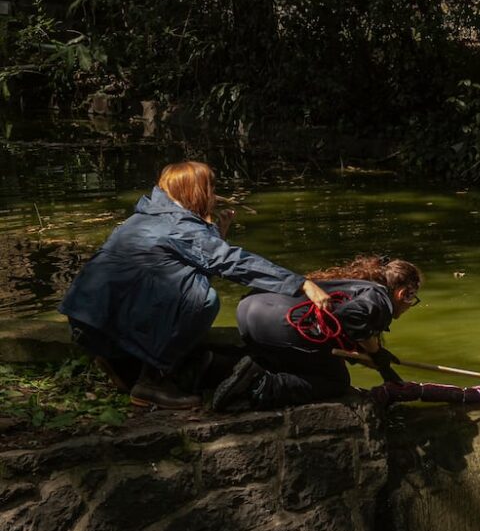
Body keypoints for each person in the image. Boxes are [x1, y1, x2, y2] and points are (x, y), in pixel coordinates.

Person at [60, 161, 330, 409]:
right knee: (203, 300)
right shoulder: (179, 226)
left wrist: (214, 234)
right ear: (196, 191)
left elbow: (184, 265)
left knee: (189, 284)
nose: (213, 196)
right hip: (108, 326)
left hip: (87, 321)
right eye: (210, 188)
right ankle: (152, 382)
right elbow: (230, 262)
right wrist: (300, 283)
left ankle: (122, 366)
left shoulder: (145, 216)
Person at [210, 256, 421, 412]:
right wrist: (376, 353)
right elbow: (353, 317)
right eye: (413, 300)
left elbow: (341, 329)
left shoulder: (353, 285)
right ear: (403, 294)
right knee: (336, 380)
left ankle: (220, 366)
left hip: (250, 311)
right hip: (277, 324)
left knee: (307, 364)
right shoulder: (381, 299)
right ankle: (260, 387)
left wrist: (378, 362)